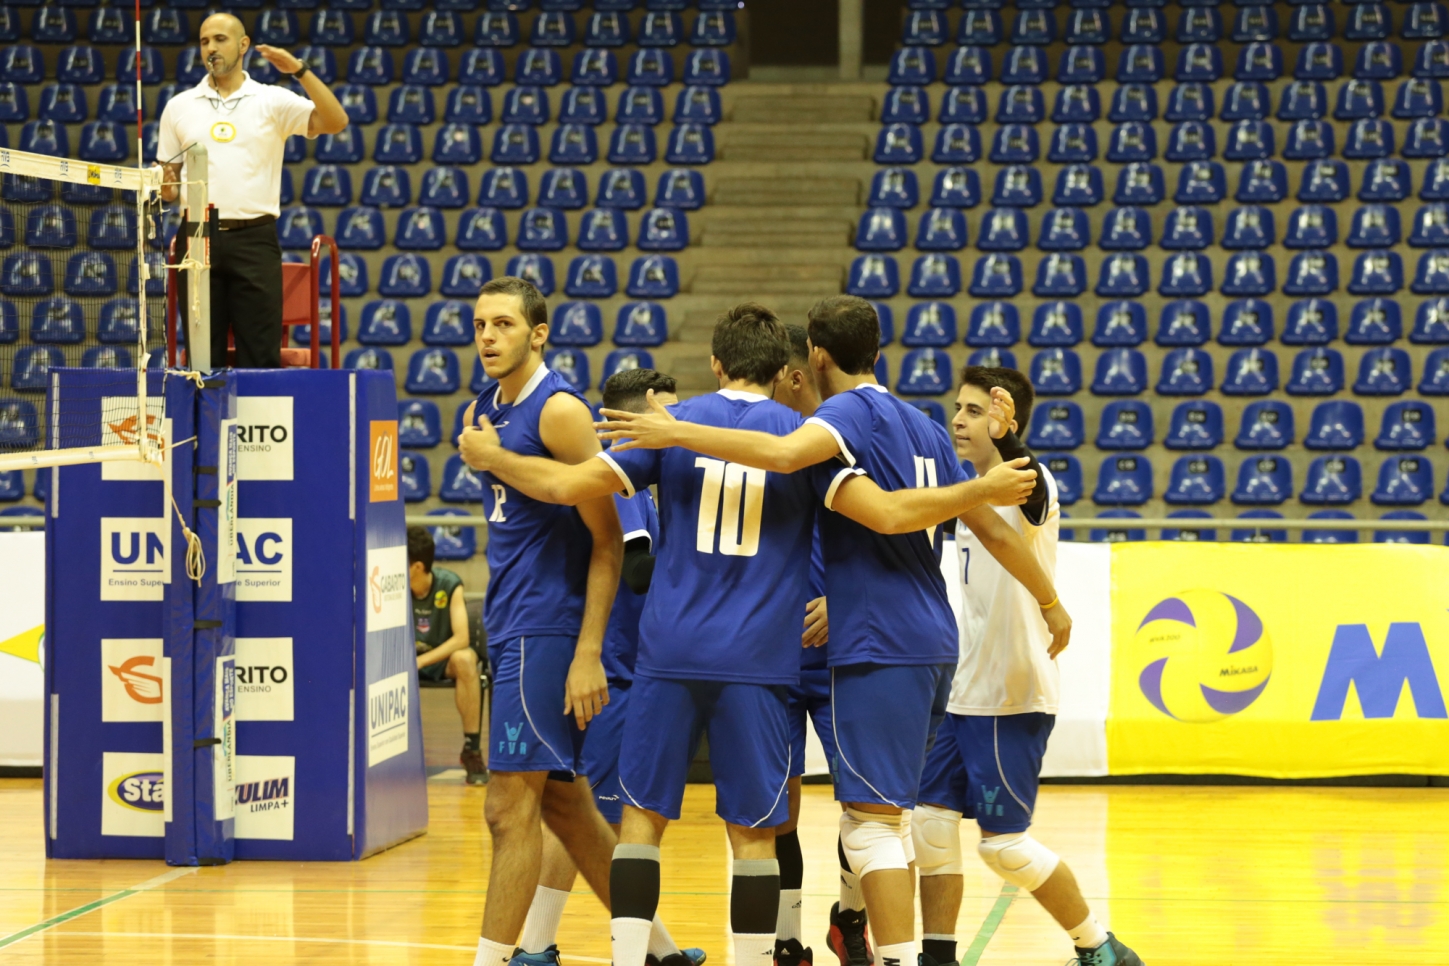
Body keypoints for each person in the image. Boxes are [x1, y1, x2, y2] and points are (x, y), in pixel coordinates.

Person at [459, 303, 1040, 966]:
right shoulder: (803, 438)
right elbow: (880, 513)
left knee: (641, 826)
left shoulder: (673, 428)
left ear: (714, 363)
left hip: (670, 653)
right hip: (760, 661)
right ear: (785, 369)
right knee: (756, 834)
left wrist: (493, 455)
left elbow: (564, 486)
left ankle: (627, 961)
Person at [913, 367, 1143, 966]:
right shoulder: (971, 492)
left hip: (1011, 694)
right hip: (968, 692)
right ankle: (938, 956)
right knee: (931, 828)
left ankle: (1100, 948)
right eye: (956, 409)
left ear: (1003, 420)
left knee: (1004, 849)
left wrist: (1010, 440)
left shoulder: (1026, 481)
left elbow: (1030, 482)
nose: (958, 421)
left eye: (972, 411)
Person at [457, 277, 625, 966]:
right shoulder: (482, 408)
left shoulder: (557, 412)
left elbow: (608, 539)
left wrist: (588, 650)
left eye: (503, 324)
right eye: (479, 325)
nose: (488, 337)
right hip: (514, 619)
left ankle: (491, 960)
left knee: (506, 810)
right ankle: (659, 952)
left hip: (547, 626)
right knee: (566, 810)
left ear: (538, 333)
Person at [516, 368, 705, 966]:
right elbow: (639, 567)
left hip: (637, 668)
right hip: (615, 673)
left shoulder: (652, 475)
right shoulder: (625, 482)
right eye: (665, 411)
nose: (675, 422)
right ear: (628, 420)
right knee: (586, 815)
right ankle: (533, 944)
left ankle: (660, 950)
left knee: (622, 820)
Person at [157, 12, 348, 369]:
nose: (211, 48)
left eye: (220, 39)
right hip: (197, 238)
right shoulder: (179, 106)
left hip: (255, 240)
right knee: (201, 360)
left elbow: (336, 121)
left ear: (243, 45)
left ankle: (254, 425)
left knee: (260, 355)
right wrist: (154, 181)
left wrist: (299, 71)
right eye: (204, 41)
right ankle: (204, 426)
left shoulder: (271, 100)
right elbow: (169, 188)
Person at [406, 525, 484, 785]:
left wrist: (419, 661)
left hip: (438, 660)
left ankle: (471, 749)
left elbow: (462, 638)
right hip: (400, 662)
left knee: (465, 659)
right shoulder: (390, 587)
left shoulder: (449, 584)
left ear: (417, 566)